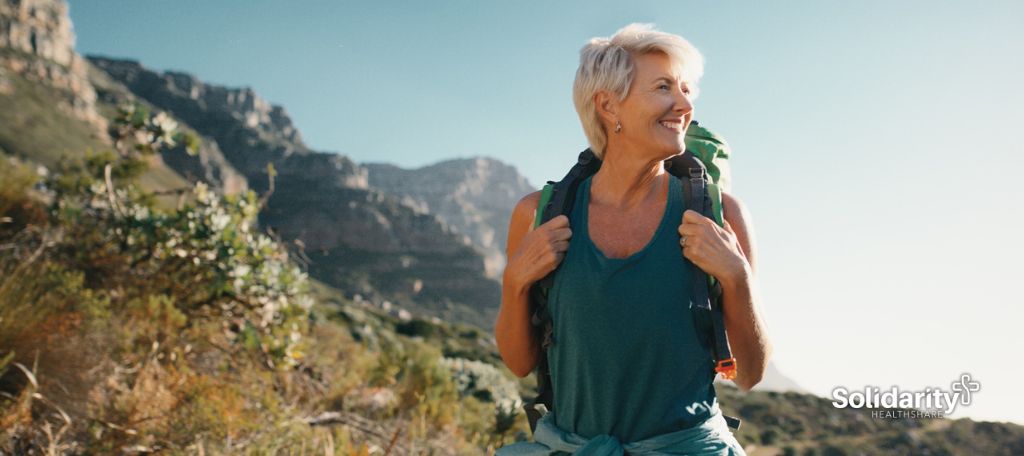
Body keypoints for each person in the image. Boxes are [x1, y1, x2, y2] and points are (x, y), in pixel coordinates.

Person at [494, 23, 772, 455]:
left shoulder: (723, 215)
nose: (685, 104)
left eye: (685, 88)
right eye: (664, 87)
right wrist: (514, 283)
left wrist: (737, 279)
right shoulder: (539, 215)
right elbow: (519, 362)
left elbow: (751, 374)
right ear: (608, 105)